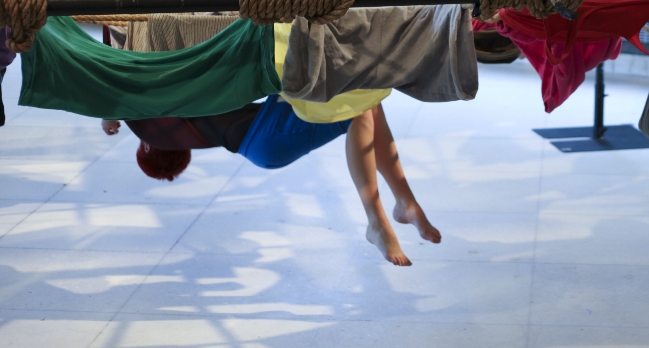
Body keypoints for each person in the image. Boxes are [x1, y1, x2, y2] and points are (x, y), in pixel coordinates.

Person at [102, 97, 439, 266]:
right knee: (358, 107)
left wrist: (108, 112)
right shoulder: (158, 126)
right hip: (266, 136)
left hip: (268, 128)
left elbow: (126, 92)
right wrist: (108, 114)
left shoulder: (170, 122)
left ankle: (405, 204)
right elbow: (124, 92)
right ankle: (375, 220)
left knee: (367, 98)